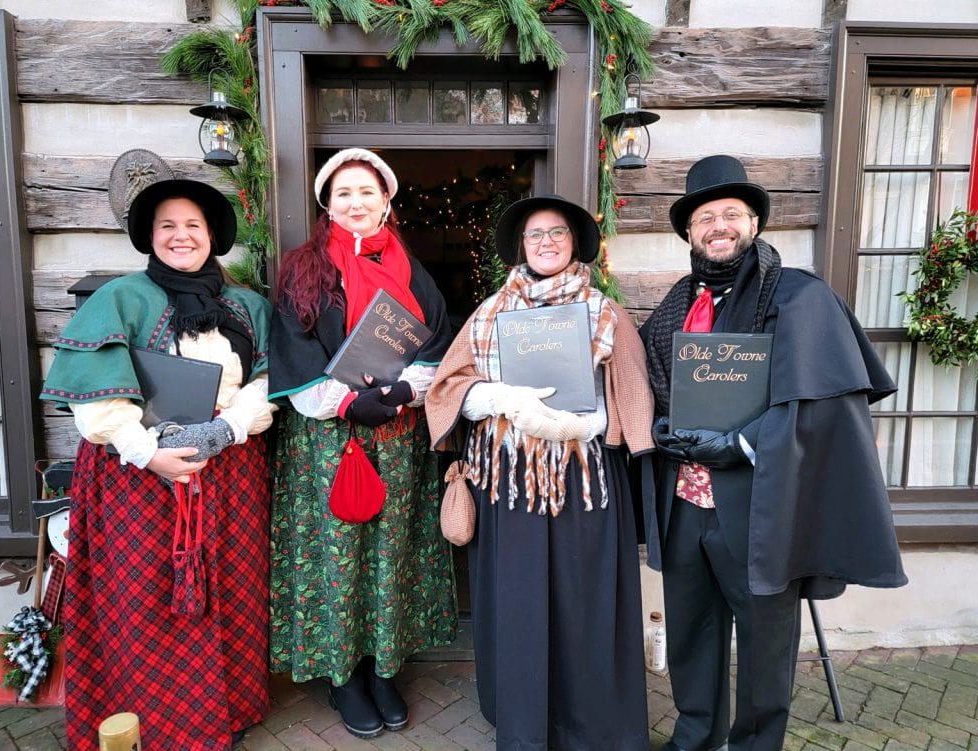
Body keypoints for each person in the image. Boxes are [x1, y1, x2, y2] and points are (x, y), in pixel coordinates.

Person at [640, 155, 908, 751]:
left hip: (761, 510)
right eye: (705, 217)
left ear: (755, 223)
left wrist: (738, 443)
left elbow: (819, 407)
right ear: (689, 231)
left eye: (731, 214)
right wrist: (658, 427)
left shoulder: (800, 298)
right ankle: (695, 739)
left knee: (764, 647)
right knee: (691, 636)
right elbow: (648, 381)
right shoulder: (676, 304)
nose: (718, 227)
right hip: (684, 506)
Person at [40, 178, 276, 750]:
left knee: (230, 589)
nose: (181, 236)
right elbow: (94, 401)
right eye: (167, 225)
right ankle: (159, 721)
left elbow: (269, 382)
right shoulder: (119, 298)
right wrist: (149, 451)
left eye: (193, 225)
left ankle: (225, 710)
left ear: (213, 235)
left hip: (229, 471)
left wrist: (225, 429)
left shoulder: (247, 306)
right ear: (149, 235)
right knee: (145, 594)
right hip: (138, 481)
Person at [426, 194, 657, 751]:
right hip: (508, 486)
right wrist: (497, 395)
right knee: (520, 601)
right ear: (521, 246)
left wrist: (586, 423)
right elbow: (448, 386)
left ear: (574, 243)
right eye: (535, 234)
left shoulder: (606, 313)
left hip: (583, 484)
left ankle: (588, 722)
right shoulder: (489, 313)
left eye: (557, 232)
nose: (547, 241)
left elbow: (632, 392)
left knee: (584, 600)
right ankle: (525, 720)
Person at [267, 148, 457, 739]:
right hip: (329, 443)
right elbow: (294, 353)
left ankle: (382, 667)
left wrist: (406, 390)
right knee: (337, 558)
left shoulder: (410, 269)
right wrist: (349, 403)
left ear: (386, 203)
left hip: (397, 439)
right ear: (328, 202)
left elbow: (434, 341)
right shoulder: (303, 269)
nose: (356, 203)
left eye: (367, 193)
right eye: (344, 193)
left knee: (388, 555)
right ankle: (342, 672)